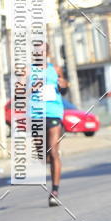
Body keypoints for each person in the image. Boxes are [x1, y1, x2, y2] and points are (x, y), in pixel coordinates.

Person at [42, 59, 69, 206]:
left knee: (53, 153)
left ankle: (55, 191)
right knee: (43, 156)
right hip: (35, 115)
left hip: (53, 112)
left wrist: (64, 86)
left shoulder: (56, 69)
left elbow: (63, 90)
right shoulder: (27, 72)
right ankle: (48, 157)